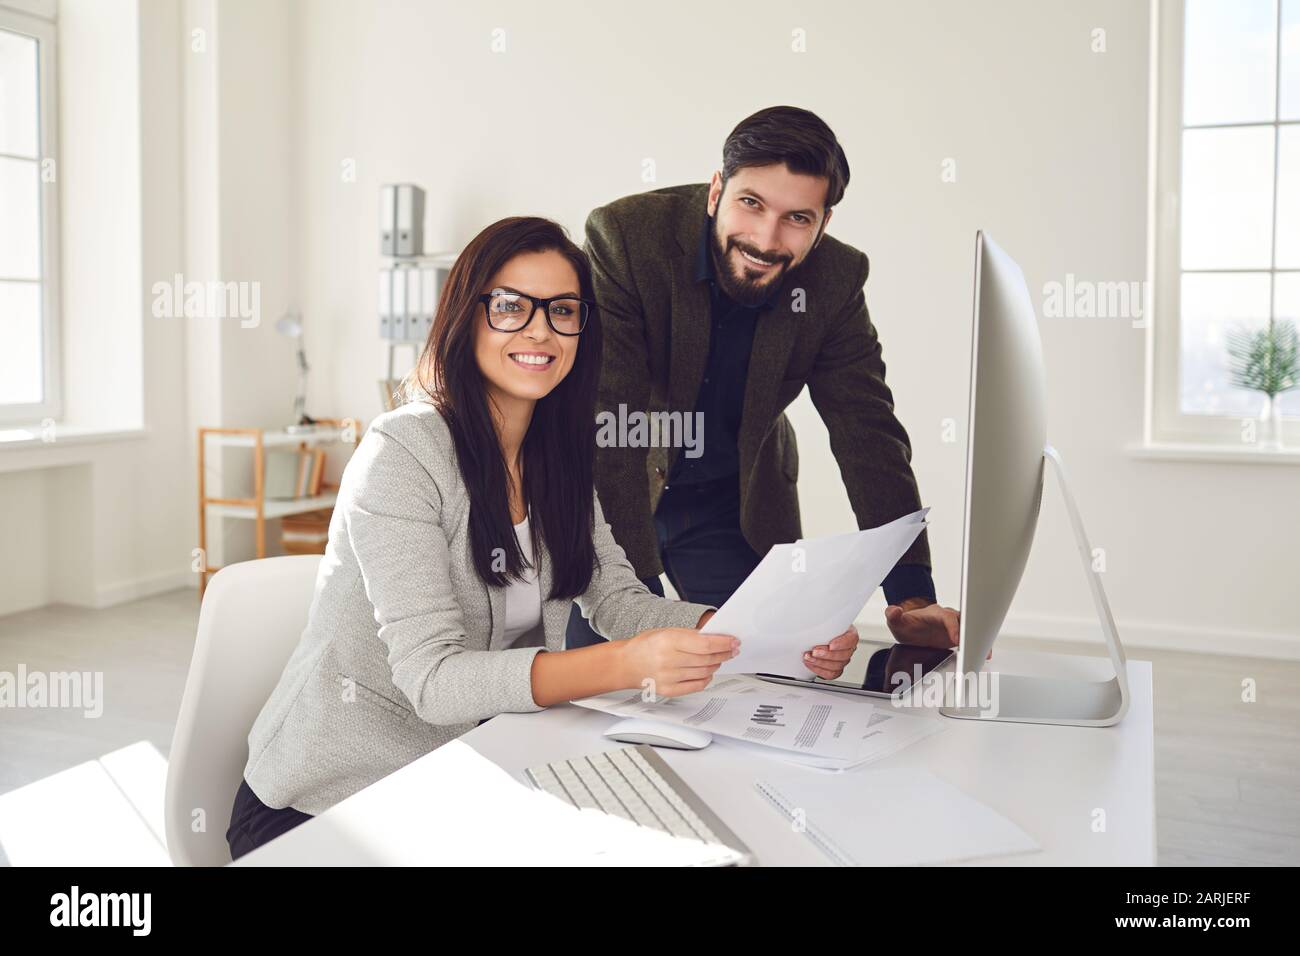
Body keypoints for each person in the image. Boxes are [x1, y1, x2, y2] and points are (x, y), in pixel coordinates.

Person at [226, 216, 857, 859]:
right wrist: (625, 665)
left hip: (463, 776)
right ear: (465, 316)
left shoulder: (554, 457)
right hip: (326, 808)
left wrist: (767, 635)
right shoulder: (402, 453)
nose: (539, 330)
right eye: (509, 306)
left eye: (561, 310)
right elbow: (434, 680)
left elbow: (620, 602)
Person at [566, 106, 960, 655]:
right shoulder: (628, 237)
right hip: (618, 495)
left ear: (823, 226)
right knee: (599, 682)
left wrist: (912, 595)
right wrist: (636, 603)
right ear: (715, 192)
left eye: (797, 218)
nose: (765, 238)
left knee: (766, 668)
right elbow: (608, 418)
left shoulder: (836, 280)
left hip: (735, 501)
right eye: (751, 204)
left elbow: (867, 431)